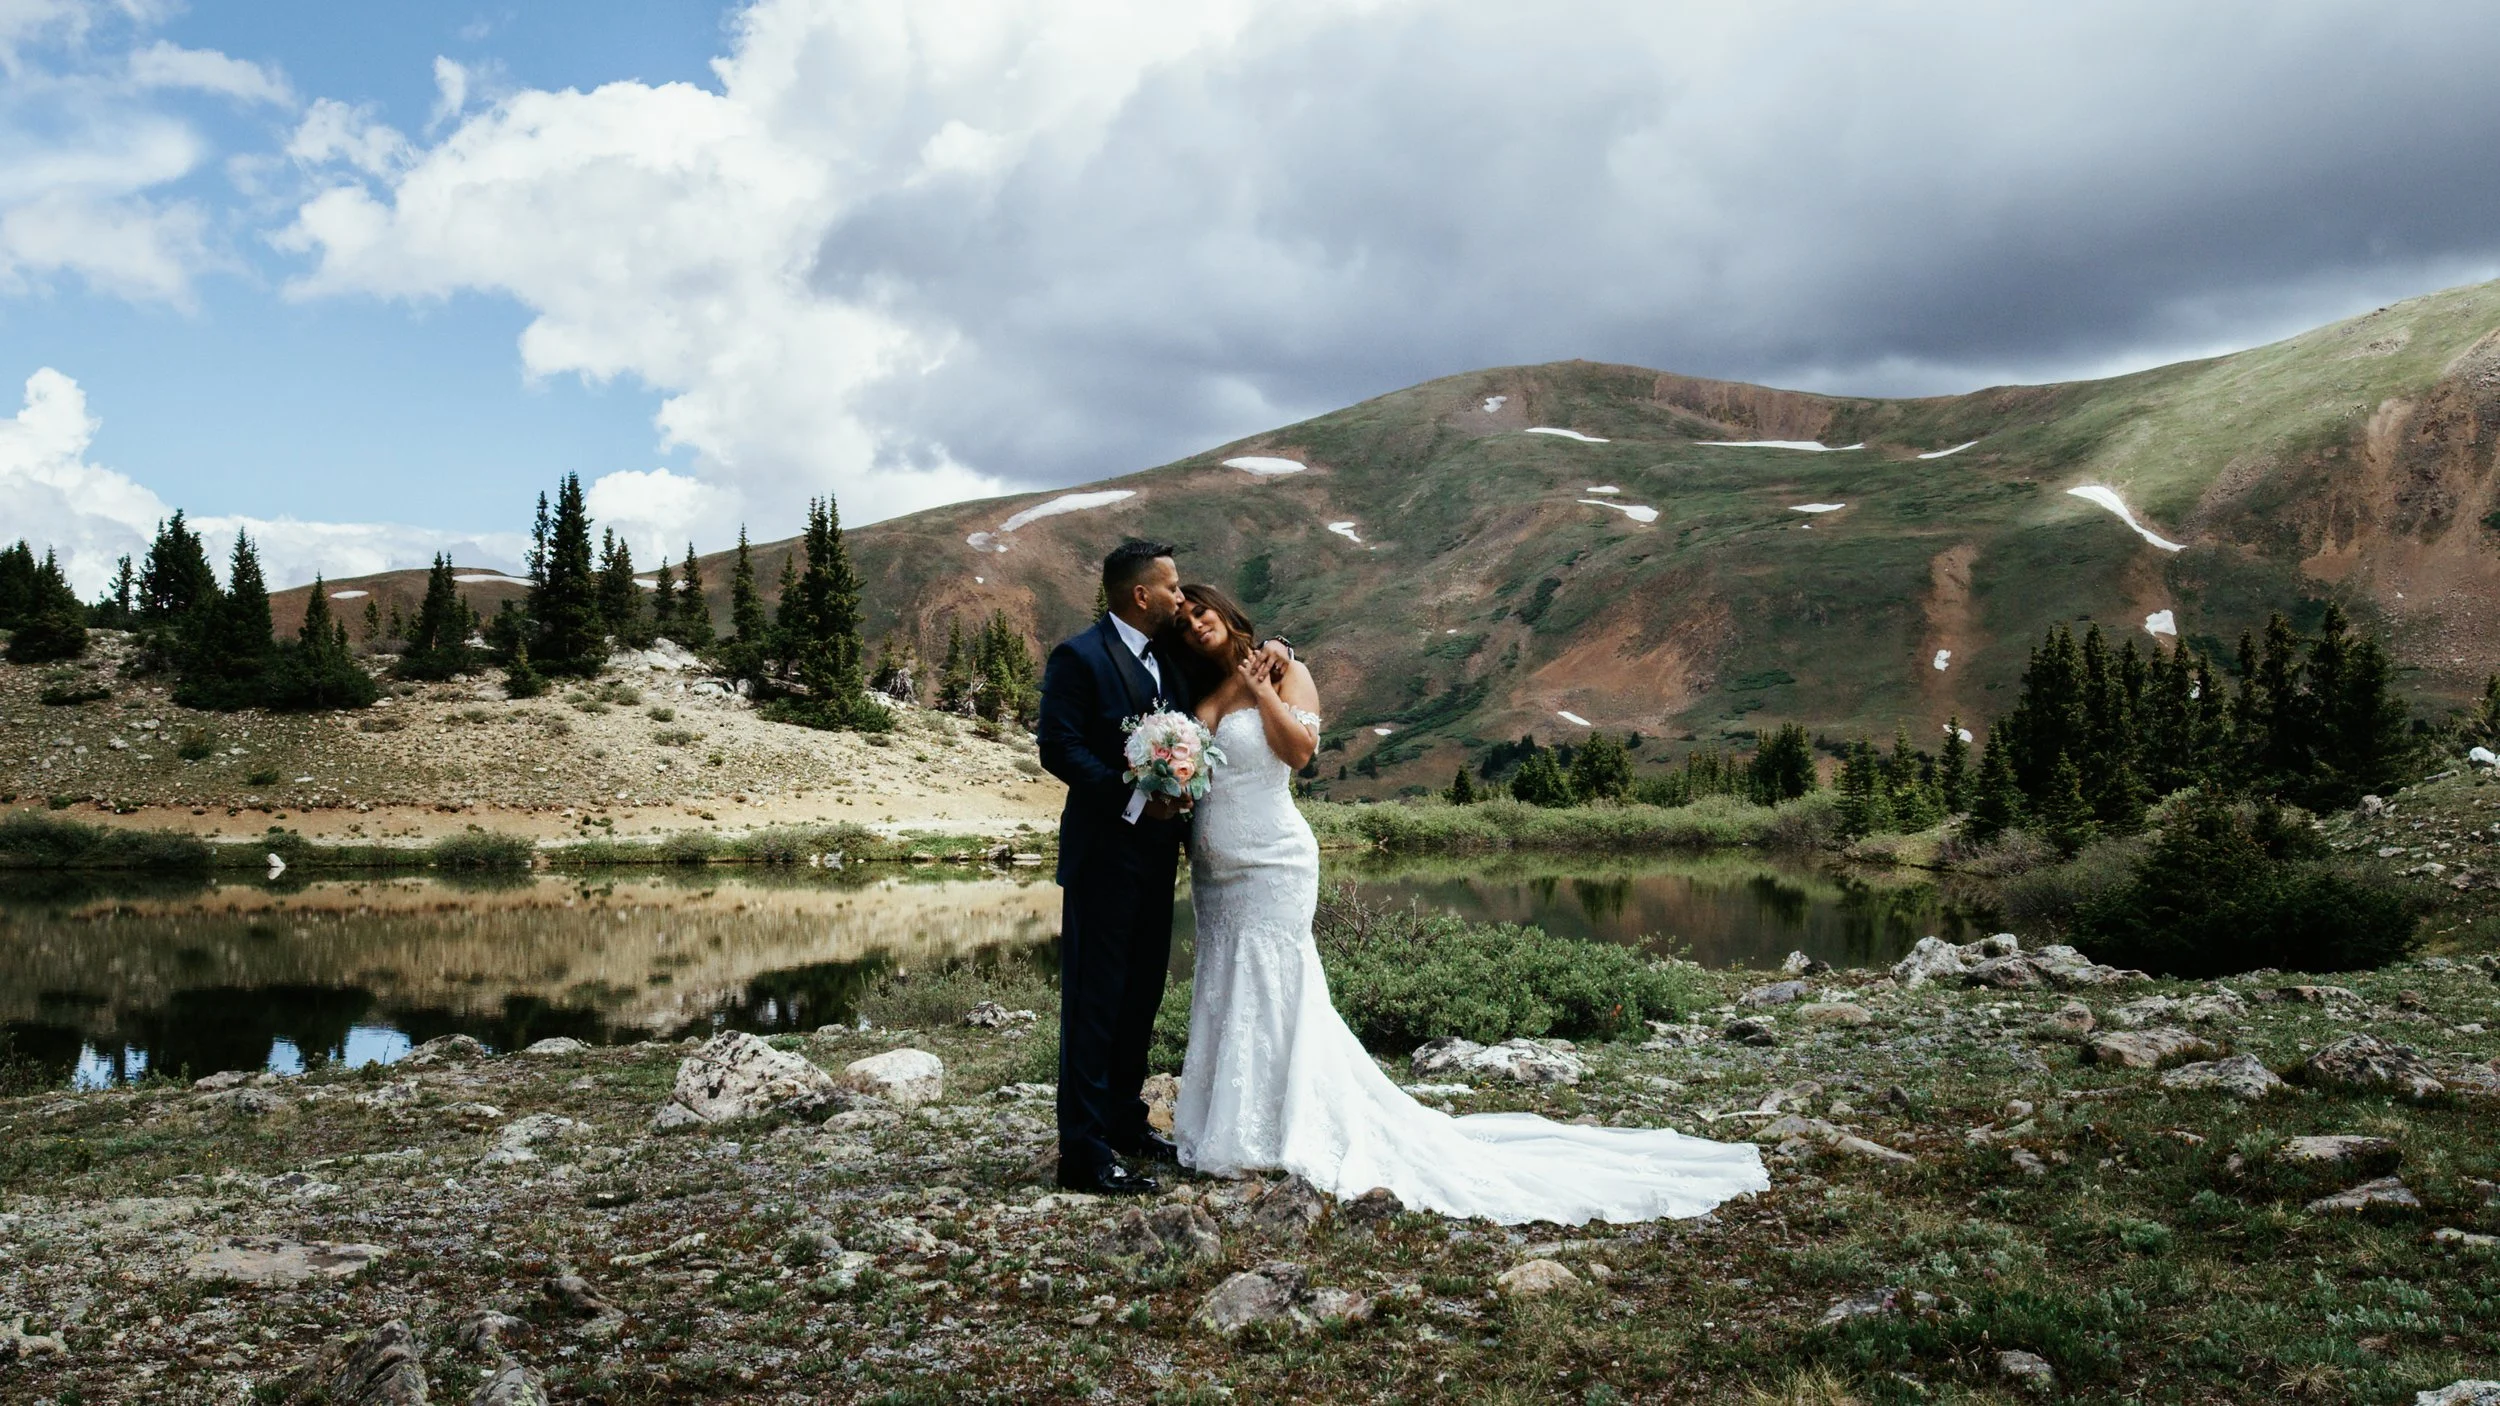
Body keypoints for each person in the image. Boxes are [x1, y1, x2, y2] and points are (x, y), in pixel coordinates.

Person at [1166, 582, 1770, 1224]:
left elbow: (1301, 753)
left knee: (1277, 982)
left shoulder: (1287, 670)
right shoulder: (1198, 697)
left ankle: (1281, 1126)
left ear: (1226, 613)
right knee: (1224, 981)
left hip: (1275, 863)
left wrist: (1263, 692)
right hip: (1214, 873)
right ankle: (1230, 1124)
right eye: (1182, 623)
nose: (1194, 625)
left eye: (1200, 611)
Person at [1035, 539, 1292, 1194]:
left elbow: (1234, 668)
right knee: (1095, 1003)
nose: (1183, 599)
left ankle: (1124, 1121)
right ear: (1140, 594)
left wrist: (1282, 648)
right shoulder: (1080, 656)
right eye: (1173, 589)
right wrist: (1133, 796)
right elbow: (1058, 748)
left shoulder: (1168, 661)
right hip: (1103, 856)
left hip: (1158, 860)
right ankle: (1083, 1153)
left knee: (1139, 996)